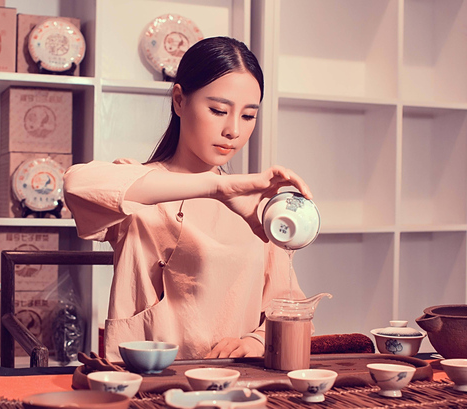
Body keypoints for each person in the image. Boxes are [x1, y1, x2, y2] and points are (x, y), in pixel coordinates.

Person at [63, 37, 312, 361]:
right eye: (218, 110)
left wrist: (256, 342)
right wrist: (215, 187)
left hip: (233, 385)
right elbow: (77, 184)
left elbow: (293, 310)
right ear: (179, 101)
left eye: (248, 116)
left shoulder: (257, 209)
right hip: (147, 385)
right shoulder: (138, 187)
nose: (233, 130)